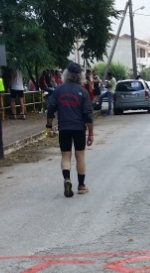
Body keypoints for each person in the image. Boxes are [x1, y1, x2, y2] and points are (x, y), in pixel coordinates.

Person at [46, 62, 94, 198]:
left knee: (66, 157)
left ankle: (67, 179)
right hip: (79, 129)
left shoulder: (58, 90)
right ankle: (81, 186)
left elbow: (51, 109)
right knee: (80, 156)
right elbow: (88, 115)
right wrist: (90, 133)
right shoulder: (83, 92)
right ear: (81, 76)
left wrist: (49, 126)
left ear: (66, 74)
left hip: (64, 128)